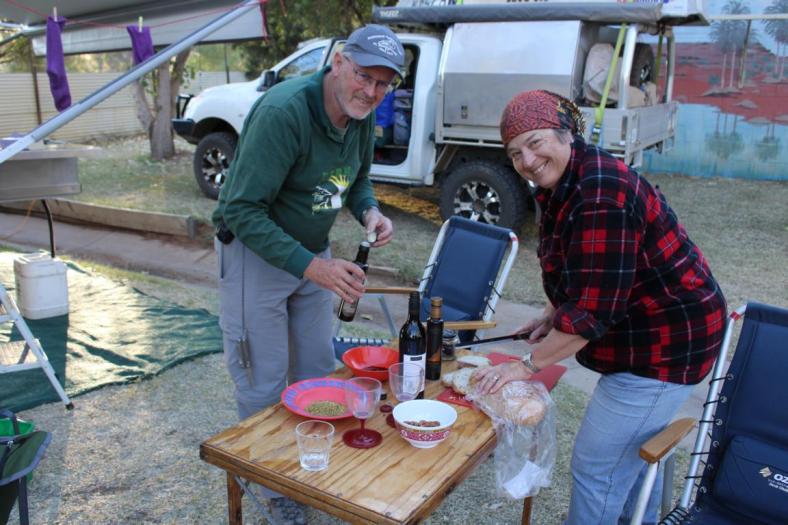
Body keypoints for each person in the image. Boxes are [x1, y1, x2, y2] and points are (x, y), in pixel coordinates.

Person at [473, 90, 727, 524]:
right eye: (516, 153)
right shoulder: (568, 182)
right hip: (651, 331)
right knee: (624, 464)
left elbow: (592, 314)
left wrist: (526, 365)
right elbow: (595, 273)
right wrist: (555, 315)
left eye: (535, 143)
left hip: (664, 347)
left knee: (597, 469)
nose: (528, 161)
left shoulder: (600, 193)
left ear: (566, 134)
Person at [212, 24, 404, 524]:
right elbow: (241, 210)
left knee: (318, 372)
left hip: (312, 254)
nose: (372, 91)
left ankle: (311, 470)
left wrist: (369, 212)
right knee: (263, 379)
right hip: (258, 254)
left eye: (384, 84)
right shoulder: (284, 112)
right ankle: (273, 488)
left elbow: (355, 178)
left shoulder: (360, 116)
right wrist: (313, 267)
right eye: (364, 75)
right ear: (339, 61)